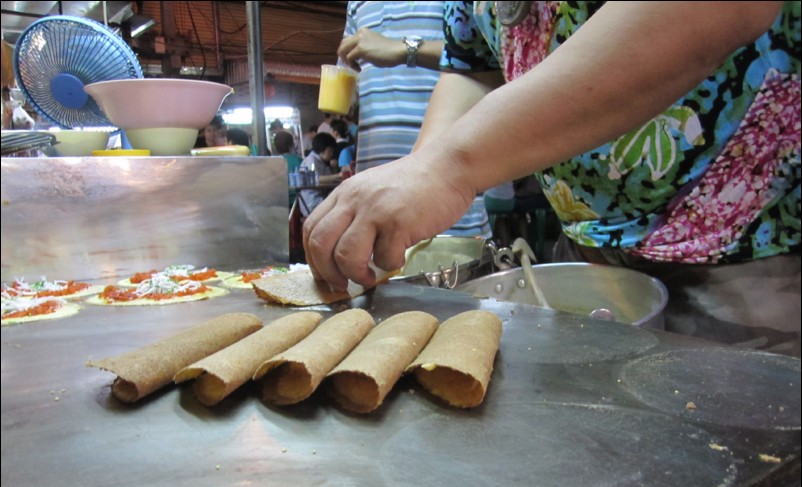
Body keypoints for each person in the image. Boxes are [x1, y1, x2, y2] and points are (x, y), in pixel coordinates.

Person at [305, 1, 801, 357]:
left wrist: (449, 168)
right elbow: (473, 65)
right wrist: (419, 170)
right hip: (583, 248)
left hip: (743, 252)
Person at [336, 0, 491, 237]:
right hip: (375, 193)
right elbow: (350, 80)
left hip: (449, 196)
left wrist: (405, 48)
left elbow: (485, 58)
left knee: (456, 262)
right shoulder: (356, 4)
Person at [297, 132, 340, 217]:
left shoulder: (322, 162)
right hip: (312, 202)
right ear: (321, 149)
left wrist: (335, 168)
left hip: (320, 199)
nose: (331, 154)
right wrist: (338, 176)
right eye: (330, 151)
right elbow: (313, 179)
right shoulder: (311, 161)